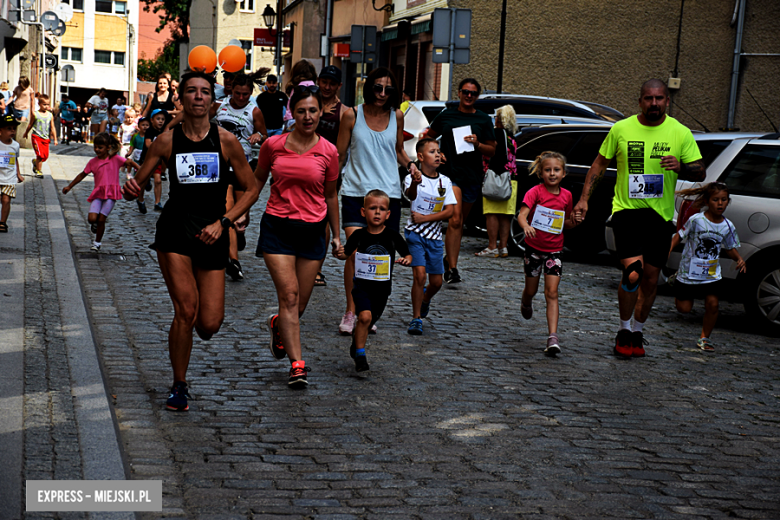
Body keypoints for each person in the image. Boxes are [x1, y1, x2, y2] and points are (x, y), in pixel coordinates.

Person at [122, 70, 259, 411]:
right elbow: (135, 185)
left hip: (213, 231)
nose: (198, 97)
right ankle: (179, 384)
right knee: (186, 310)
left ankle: (190, 342)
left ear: (213, 102)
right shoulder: (166, 141)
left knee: (209, 324)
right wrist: (129, 188)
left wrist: (226, 221)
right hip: (176, 230)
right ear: (181, 99)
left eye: (204, 92)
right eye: (191, 92)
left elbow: (252, 188)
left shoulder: (226, 141)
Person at [574, 78, 706, 359]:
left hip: (660, 218)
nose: (654, 103)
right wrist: (584, 198)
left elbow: (700, 173)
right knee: (632, 272)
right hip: (627, 212)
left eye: (659, 98)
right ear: (640, 101)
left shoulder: (680, 133)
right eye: (649, 98)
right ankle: (623, 329)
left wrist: (681, 166)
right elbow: (599, 163)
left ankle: (637, 331)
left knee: (650, 278)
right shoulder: (621, 129)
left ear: (667, 102)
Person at [254, 83, 340, 388]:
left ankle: (278, 324)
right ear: (293, 112)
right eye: (301, 110)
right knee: (288, 297)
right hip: (278, 227)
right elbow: (256, 184)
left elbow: (331, 196)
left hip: (313, 231)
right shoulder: (273, 146)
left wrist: (337, 237)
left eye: (313, 111)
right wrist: (233, 217)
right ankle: (298, 365)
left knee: (298, 306)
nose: (307, 116)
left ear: (320, 112)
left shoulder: (329, 152)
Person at [335, 67, 419, 335]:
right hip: (355, 191)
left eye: (388, 89)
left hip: (388, 196)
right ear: (368, 87)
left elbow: (397, 151)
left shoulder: (397, 116)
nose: (382, 94)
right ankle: (352, 311)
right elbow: (339, 155)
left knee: (380, 254)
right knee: (356, 252)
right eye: (377, 87)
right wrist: (326, 187)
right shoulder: (352, 115)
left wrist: (412, 166)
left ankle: (369, 310)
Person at [422, 78, 497, 284]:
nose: (469, 96)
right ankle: (453, 269)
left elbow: (492, 149)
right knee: (454, 220)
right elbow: (427, 138)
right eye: (466, 92)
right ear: (459, 93)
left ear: (477, 96)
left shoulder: (482, 119)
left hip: (471, 176)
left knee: (459, 221)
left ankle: (448, 258)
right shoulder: (446, 116)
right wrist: (437, 153)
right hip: (449, 174)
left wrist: (478, 143)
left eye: (473, 93)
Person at [335, 190, 411, 372]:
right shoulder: (358, 235)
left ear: (388, 214)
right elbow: (345, 254)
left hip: (382, 289)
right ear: (363, 212)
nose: (377, 212)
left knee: (369, 320)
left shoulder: (392, 236)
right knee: (364, 316)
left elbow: (407, 253)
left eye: (381, 209)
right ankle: (360, 355)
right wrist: (338, 252)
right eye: (372, 208)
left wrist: (407, 259)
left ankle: (356, 344)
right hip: (361, 286)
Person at [518, 151, 582, 356]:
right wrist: (526, 226)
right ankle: (525, 301)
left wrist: (576, 221)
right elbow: (521, 215)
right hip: (534, 250)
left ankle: (552, 337)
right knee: (532, 290)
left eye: (556, 170)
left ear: (564, 173)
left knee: (551, 293)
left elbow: (567, 224)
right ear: (541, 173)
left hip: (554, 251)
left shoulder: (567, 196)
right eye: (548, 170)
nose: (552, 174)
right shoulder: (535, 192)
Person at [671, 182, 745, 351]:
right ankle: (676, 280)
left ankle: (705, 338)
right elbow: (679, 235)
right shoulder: (696, 220)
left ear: (728, 201)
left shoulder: (728, 226)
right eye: (715, 200)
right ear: (707, 201)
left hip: (711, 274)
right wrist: (668, 249)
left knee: (713, 304)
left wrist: (739, 259)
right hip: (689, 272)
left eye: (724, 200)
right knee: (684, 309)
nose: (720, 204)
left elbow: (729, 247)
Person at [212, 70, 268, 281]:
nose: (241, 98)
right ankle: (233, 261)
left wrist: (258, 135)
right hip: (222, 166)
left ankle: (241, 233)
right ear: (231, 90)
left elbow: (265, 137)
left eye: (245, 94)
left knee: (242, 212)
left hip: (244, 166)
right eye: (238, 93)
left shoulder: (254, 112)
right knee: (229, 210)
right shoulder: (219, 106)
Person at [403, 139, 456, 335]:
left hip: (435, 238)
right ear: (420, 156)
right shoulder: (412, 177)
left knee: (436, 282)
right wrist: (416, 182)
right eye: (432, 151)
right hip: (415, 234)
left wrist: (427, 217)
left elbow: (449, 211)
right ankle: (416, 318)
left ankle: (425, 299)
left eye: (438, 151)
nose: (436, 155)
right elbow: (410, 196)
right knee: (419, 275)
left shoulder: (445, 181)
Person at [62, 133, 140, 251]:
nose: (97, 150)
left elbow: (129, 162)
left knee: (102, 219)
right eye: (95, 147)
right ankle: (96, 224)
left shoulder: (115, 159)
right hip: (98, 194)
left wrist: (140, 171)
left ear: (108, 147)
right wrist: (69, 186)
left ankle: (97, 243)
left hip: (111, 194)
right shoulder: (93, 162)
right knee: (92, 219)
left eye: (100, 147)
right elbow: (82, 175)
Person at [313, 64, 350, 287]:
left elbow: (342, 150)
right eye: (324, 82)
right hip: (303, 167)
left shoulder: (344, 112)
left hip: (328, 172)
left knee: (323, 220)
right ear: (318, 81)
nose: (327, 87)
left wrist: (334, 175)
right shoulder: (308, 103)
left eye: (332, 83)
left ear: (339, 86)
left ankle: (317, 267)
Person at [475, 105, 519, 258]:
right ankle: (503, 247)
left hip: (495, 178)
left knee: (491, 213)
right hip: (511, 179)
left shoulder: (495, 135)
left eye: (496, 117)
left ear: (500, 119)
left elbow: (490, 155)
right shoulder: (511, 136)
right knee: (505, 215)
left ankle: (492, 246)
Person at [140, 109, 168, 211]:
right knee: (142, 182)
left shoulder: (164, 131)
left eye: (163, 119)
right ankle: (140, 199)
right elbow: (148, 144)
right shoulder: (150, 131)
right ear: (152, 120)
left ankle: (157, 202)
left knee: (158, 180)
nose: (161, 121)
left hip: (157, 160)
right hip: (146, 159)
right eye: (158, 119)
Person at [23, 94, 57, 178]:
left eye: (47, 104)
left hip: (46, 138)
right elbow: (30, 124)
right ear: (39, 104)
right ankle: (38, 171)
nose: (46, 106)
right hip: (36, 137)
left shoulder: (50, 115)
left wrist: (55, 138)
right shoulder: (35, 114)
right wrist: (26, 132)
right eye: (44, 104)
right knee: (40, 155)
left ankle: (35, 162)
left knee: (45, 156)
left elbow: (52, 127)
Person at [0, 115, 22, 233]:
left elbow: (15, 160)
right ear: (1, 130)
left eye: (14, 128)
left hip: (9, 177)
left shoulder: (15, 145)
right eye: (9, 128)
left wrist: (18, 174)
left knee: (6, 199)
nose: (12, 131)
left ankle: (2, 222)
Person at [126, 117, 150, 213]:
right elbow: (132, 145)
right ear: (139, 126)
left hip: (147, 160)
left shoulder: (149, 137)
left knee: (146, 176)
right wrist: (129, 153)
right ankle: (140, 198)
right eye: (143, 125)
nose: (145, 127)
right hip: (137, 160)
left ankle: (147, 183)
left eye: (147, 125)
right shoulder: (135, 136)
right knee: (140, 181)